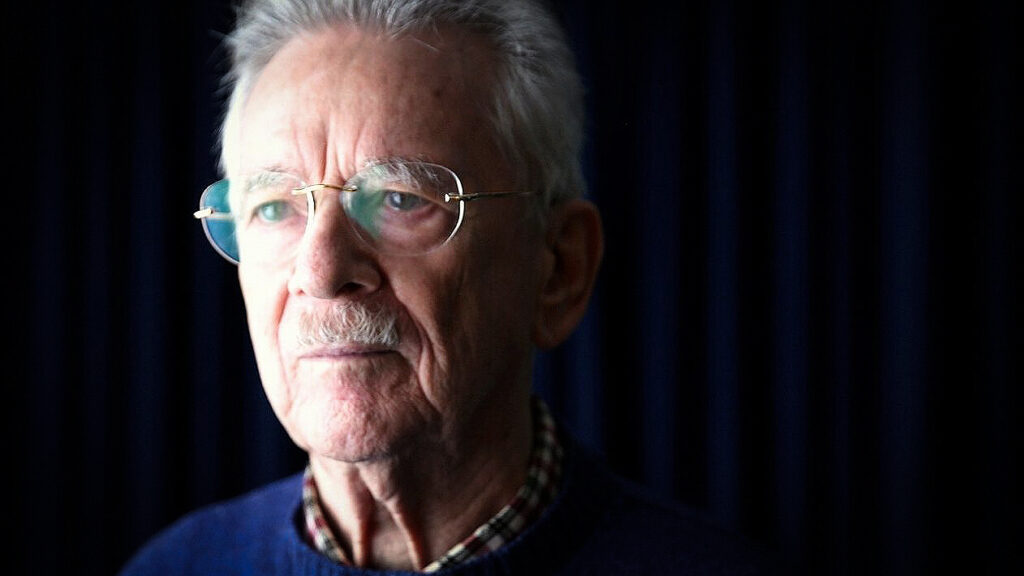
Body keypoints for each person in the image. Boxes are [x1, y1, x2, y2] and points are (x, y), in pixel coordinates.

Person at [120, 0, 777, 573]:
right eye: (274, 208)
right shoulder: (175, 567)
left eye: (401, 199)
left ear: (558, 269)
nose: (319, 274)